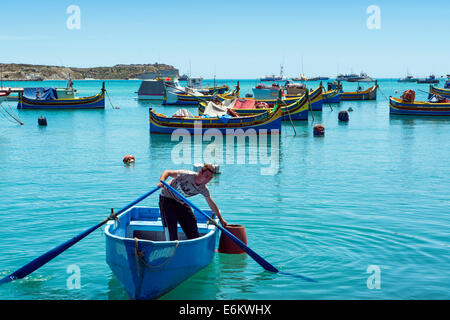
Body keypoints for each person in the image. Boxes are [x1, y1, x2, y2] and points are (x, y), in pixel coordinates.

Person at [157, 164, 227, 241]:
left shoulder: (203, 189)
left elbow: (211, 203)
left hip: (181, 201)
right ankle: (171, 245)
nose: (207, 180)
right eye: (206, 176)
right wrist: (162, 181)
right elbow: (167, 172)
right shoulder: (186, 175)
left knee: (192, 222)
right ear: (200, 172)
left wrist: (221, 219)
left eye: (210, 178)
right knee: (170, 225)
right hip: (167, 198)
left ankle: (194, 244)